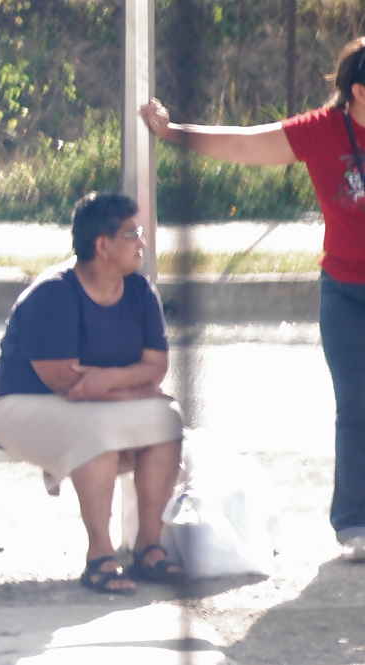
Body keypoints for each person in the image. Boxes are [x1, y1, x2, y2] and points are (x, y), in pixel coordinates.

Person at [140, 37, 365, 563]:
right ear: (358, 92)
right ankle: (354, 521)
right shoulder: (323, 131)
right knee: (357, 405)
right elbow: (243, 146)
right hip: (345, 292)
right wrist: (172, 132)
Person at [0, 192, 185, 595]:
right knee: (98, 432)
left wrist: (109, 383)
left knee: (167, 420)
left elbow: (156, 367)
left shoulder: (141, 291)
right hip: (19, 405)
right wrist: (133, 389)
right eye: (132, 233)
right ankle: (99, 557)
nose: (142, 242)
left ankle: (148, 546)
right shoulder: (53, 294)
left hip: (94, 406)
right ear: (102, 245)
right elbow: (64, 381)